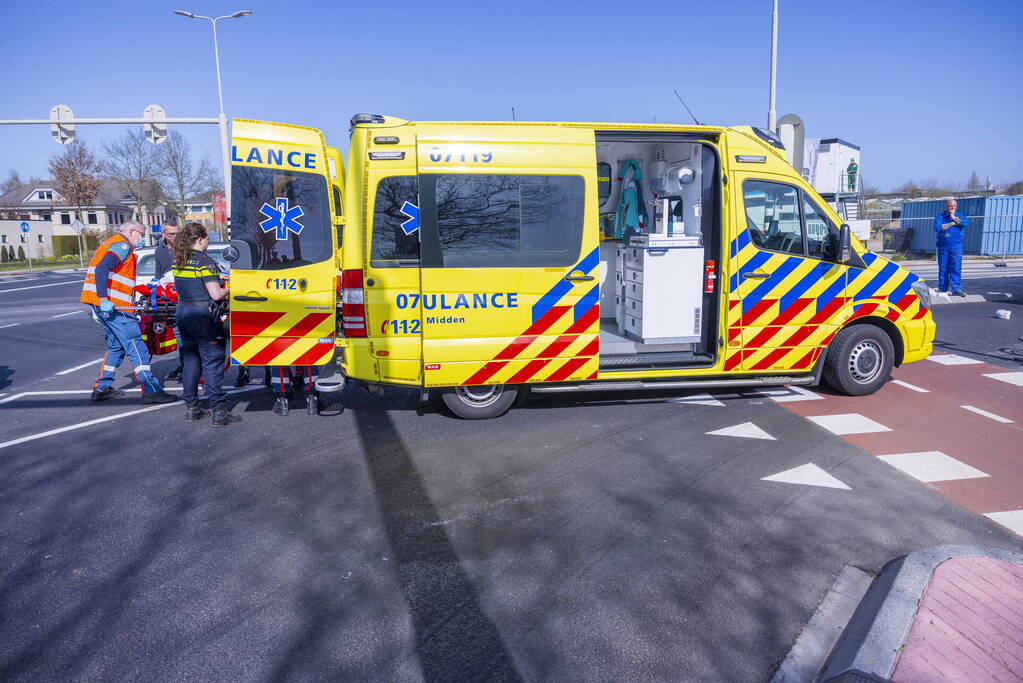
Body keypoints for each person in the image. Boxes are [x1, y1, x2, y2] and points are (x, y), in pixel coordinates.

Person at [81, 221, 177, 403]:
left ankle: (102, 387)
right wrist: (104, 299)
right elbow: (102, 268)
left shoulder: (111, 243)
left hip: (105, 305)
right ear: (132, 232)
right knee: (136, 345)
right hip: (115, 307)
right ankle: (151, 389)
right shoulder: (122, 245)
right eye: (141, 234)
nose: (142, 238)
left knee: (116, 346)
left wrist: (101, 301)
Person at [171, 222, 242, 425]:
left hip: (183, 312)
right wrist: (231, 286)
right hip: (203, 316)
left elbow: (193, 282)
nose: (208, 243)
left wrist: (217, 277)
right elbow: (216, 294)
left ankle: (192, 408)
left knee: (191, 360)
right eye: (207, 239)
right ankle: (219, 411)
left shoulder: (179, 259)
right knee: (212, 362)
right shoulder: (204, 261)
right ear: (200, 239)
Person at [153, 221, 183, 382]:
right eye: (172, 234)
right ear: (164, 234)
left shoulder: (186, 248)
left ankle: (187, 365)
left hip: (186, 296)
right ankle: (184, 363)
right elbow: (158, 274)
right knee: (178, 334)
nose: (175, 237)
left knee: (187, 334)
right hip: (170, 298)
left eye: (178, 233)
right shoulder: (159, 251)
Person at [934, 198, 970, 297]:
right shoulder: (940, 216)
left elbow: (965, 223)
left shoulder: (960, 215)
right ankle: (942, 288)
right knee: (943, 268)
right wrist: (952, 223)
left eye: (954, 206)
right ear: (946, 206)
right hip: (943, 246)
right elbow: (937, 227)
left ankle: (956, 289)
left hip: (956, 246)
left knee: (956, 267)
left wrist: (954, 217)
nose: (952, 207)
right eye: (950, 206)